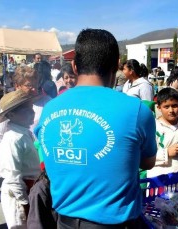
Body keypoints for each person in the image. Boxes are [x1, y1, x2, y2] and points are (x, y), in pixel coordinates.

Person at [34, 28, 157, 228]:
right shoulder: (136, 110)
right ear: (116, 66)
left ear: (74, 66)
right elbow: (148, 162)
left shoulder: (49, 109)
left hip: (63, 222)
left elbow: (47, 159)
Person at [0, 90, 40, 228]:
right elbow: (12, 177)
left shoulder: (25, 132)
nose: (32, 113)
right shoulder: (12, 138)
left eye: (31, 108)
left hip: (30, 189)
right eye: (26, 110)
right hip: (19, 195)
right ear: (11, 115)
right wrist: (24, 203)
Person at [147, 87, 178, 178]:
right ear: (159, 107)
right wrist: (167, 153)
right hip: (158, 181)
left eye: (175, 106)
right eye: (166, 107)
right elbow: (145, 157)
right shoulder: (153, 127)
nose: (171, 110)